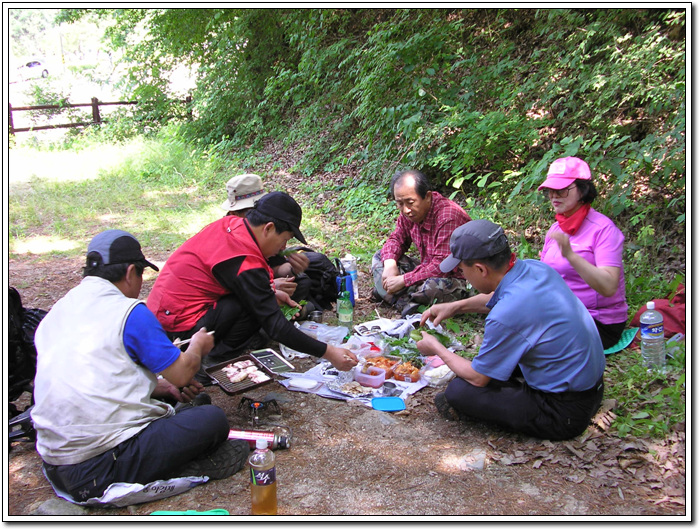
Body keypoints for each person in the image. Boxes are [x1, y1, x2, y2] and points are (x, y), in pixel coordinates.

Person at [31, 230, 250, 504]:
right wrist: (198, 346)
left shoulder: (59, 311)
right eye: (141, 276)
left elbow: (98, 374)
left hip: (55, 460)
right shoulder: (128, 312)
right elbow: (183, 371)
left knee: (189, 413)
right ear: (130, 272)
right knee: (211, 419)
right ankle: (189, 466)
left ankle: (170, 439)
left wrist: (164, 387)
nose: (140, 285)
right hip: (99, 465)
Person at [417, 220, 605, 441]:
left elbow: (478, 378)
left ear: (480, 269)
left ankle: (524, 398)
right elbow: (499, 296)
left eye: (462, 269)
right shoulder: (535, 268)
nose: (462, 275)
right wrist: (455, 306)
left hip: (563, 412)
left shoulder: (506, 315)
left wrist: (436, 348)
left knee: (459, 391)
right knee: (497, 360)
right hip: (593, 387)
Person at [147, 191, 358, 370]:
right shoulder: (244, 260)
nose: (283, 248)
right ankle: (214, 360)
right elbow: (275, 326)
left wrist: (271, 293)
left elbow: (232, 282)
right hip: (176, 327)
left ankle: (218, 351)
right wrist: (329, 352)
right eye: (284, 239)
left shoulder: (233, 224)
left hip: (162, 313)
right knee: (254, 306)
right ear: (267, 228)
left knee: (260, 299)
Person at [538, 156, 629, 349]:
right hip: (562, 313)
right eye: (550, 190)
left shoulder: (604, 230)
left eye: (561, 190)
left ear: (582, 190)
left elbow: (608, 286)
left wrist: (571, 256)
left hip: (598, 321)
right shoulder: (555, 228)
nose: (554, 196)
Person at [371, 169, 473, 317]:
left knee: (431, 288)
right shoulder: (409, 213)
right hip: (427, 269)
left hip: (457, 277)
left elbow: (442, 266)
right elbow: (396, 239)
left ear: (428, 196)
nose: (406, 209)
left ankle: (395, 297)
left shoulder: (448, 217)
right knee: (381, 256)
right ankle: (405, 300)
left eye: (410, 202)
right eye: (400, 203)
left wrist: (404, 280)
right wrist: (390, 265)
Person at [222, 173, 313, 307]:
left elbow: (273, 267)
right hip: (236, 296)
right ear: (234, 214)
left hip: (263, 284)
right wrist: (268, 288)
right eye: (251, 212)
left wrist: (291, 268)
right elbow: (233, 286)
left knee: (303, 281)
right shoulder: (228, 236)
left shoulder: (264, 232)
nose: (257, 216)